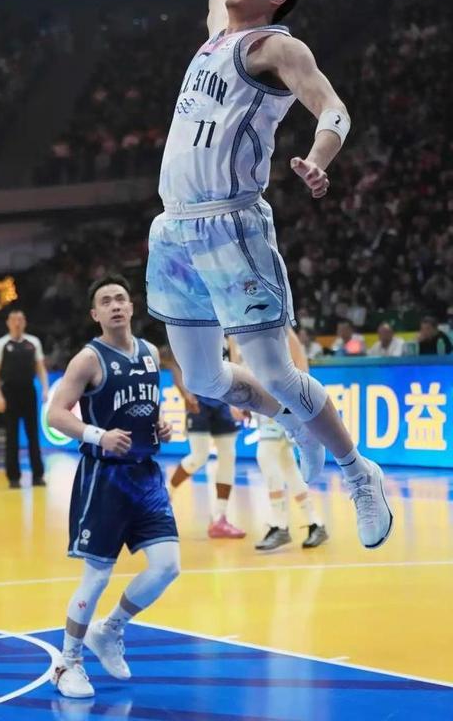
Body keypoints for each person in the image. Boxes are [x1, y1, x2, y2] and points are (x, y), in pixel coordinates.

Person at [145, 0, 393, 550]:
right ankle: (293, 422)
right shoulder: (216, 35)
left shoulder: (276, 47)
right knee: (204, 379)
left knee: (277, 372)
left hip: (232, 225)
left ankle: (359, 473)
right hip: (174, 228)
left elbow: (334, 109)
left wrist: (318, 158)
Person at [47, 274, 179, 699]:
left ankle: (109, 630)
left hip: (146, 475)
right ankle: (67, 663)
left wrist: (160, 425)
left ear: (132, 306)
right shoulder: (88, 359)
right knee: (97, 576)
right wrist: (97, 435)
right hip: (104, 478)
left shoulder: (150, 353)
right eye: (106, 301)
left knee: (167, 566)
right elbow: (55, 414)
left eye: (121, 298)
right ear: (95, 314)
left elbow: (144, 407)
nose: (116, 305)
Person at [254, 328, 328, 551]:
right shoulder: (245, 330)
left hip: (283, 405)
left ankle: (280, 525)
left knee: (265, 456)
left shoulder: (286, 332)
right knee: (287, 466)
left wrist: (298, 407)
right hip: (264, 405)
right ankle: (315, 523)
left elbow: (302, 370)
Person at [166, 337, 245, 538]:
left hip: (224, 400)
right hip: (198, 400)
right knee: (199, 456)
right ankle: (166, 495)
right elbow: (175, 364)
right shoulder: (192, 329)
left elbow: (235, 366)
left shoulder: (229, 333)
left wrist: (238, 401)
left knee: (228, 456)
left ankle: (220, 518)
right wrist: (185, 394)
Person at [0, 307, 49, 488]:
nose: (17, 323)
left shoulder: (33, 342)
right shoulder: (1, 344)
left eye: (20, 319)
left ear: (25, 323)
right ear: (8, 323)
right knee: (12, 436)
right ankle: (13, 477)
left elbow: (40, 368)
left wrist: (45, 389)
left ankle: (38, 475)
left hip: (28, 391)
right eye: (14, 319)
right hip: (9, 392)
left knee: (33, 435)